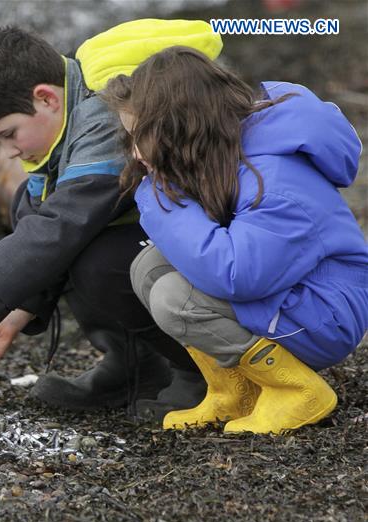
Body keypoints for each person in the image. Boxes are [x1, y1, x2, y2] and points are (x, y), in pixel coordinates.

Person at [0, 20, 224, 419]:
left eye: (9, 134)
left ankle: (205, 369)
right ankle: (135, 364)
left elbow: (64, 225)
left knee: (99, 260)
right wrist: (11, 316)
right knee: (29, 204)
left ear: (46, 99)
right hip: (179, 233)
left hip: (224, 245)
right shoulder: (66, 115)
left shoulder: (105, 111)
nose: (9, 152)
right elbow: (52, 220)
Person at [101, 46, 368, 433]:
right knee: (149, 266)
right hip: (291, 299)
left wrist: (159, 198)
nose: (137, 154)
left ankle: (298, 391)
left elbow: (234, 274)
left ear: (181, 128)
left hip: (324, 315)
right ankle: (234, 391)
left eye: (140, 137)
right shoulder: (225, 151)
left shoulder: (276, 184)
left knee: (175, 299)